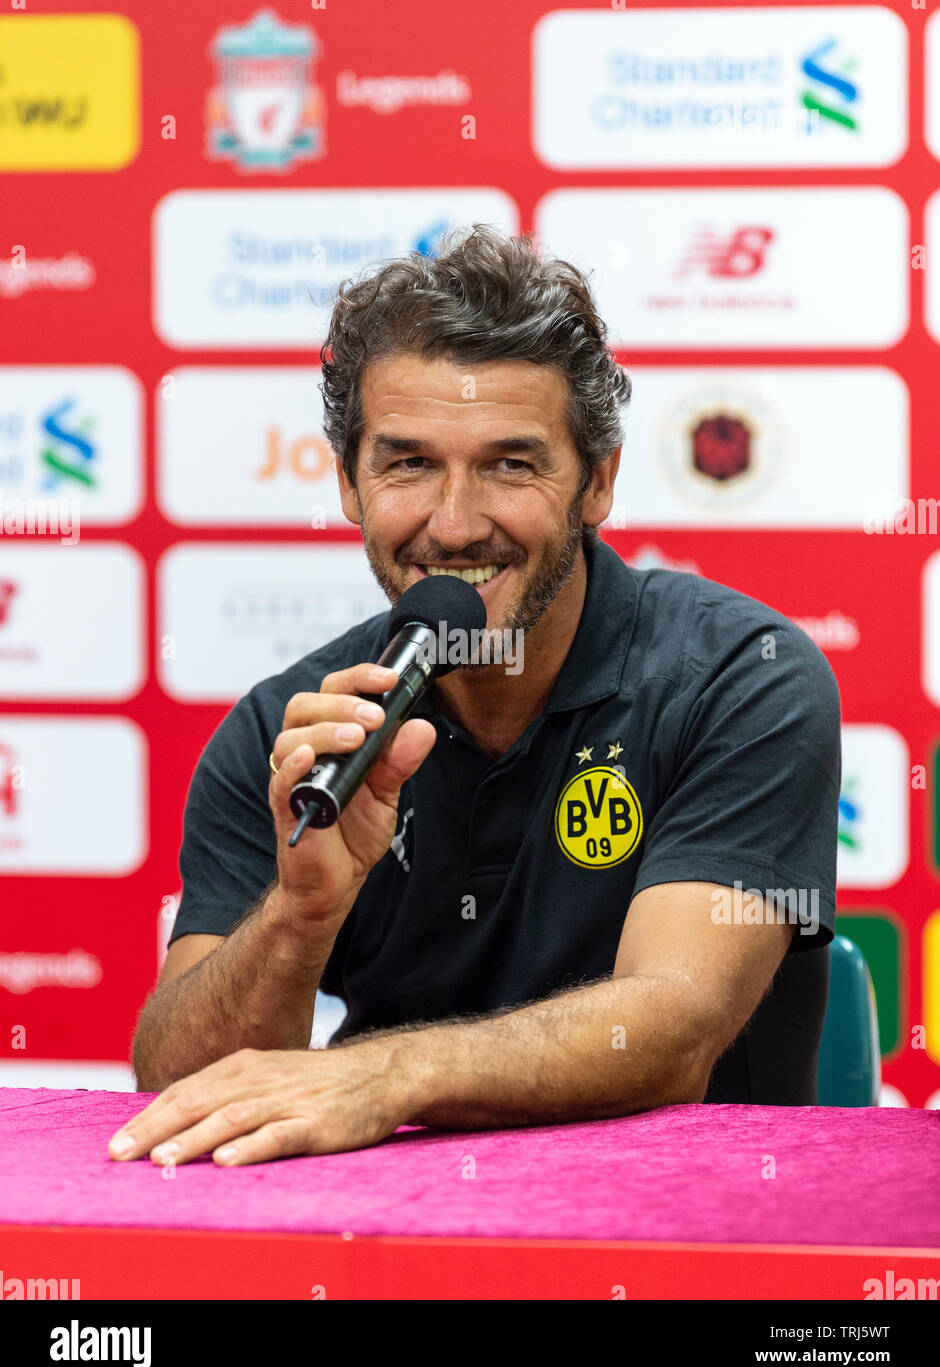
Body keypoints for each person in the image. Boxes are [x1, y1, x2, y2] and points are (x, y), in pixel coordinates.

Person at [110, 225, 841, 1170]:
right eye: (408, 463)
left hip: (696, 1231)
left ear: (598, 482)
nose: (453, 526)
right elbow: (174, 1082)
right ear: (349, 484)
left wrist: (379, 1077)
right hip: (386, 1242)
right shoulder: (294, 726)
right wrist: (298, 918)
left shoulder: (745, 675)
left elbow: (672, 1029)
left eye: (510, 463)